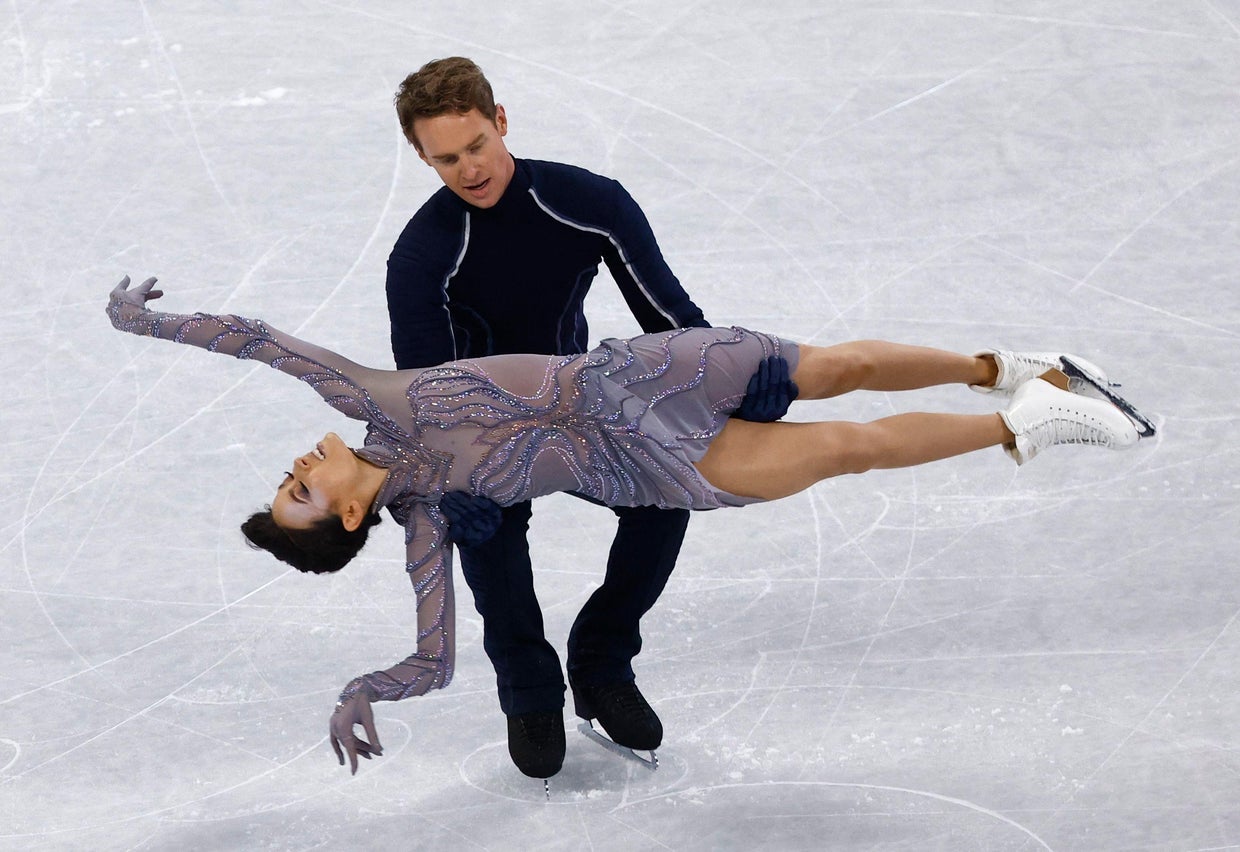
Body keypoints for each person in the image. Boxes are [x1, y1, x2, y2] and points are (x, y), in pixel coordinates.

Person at [106, 275, 1150, 775]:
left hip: (647, 373)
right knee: (843, 450)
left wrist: (146, 321)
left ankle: (1009, 364)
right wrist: (360, 687)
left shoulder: (371, 399)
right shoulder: (427, 524)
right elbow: (433, 659)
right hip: (647, 457)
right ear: (342, 514)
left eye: (283, 478)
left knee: (832, 371)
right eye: (295, 491)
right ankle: (1035, 421)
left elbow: (253, 339)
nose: (292, 468)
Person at [383, 56, 796, 778]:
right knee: (483, 522)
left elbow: (671, 321)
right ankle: (530, 691)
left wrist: (734, 374)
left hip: (578, 404)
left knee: (668, 489)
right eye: (445, 158)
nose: (469, 169)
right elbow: (425, 399)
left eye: (477, 144)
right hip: (484, 431)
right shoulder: (422, 255)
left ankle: (603, 660)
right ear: (421, 156)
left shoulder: (589, 201)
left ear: (501, 120)